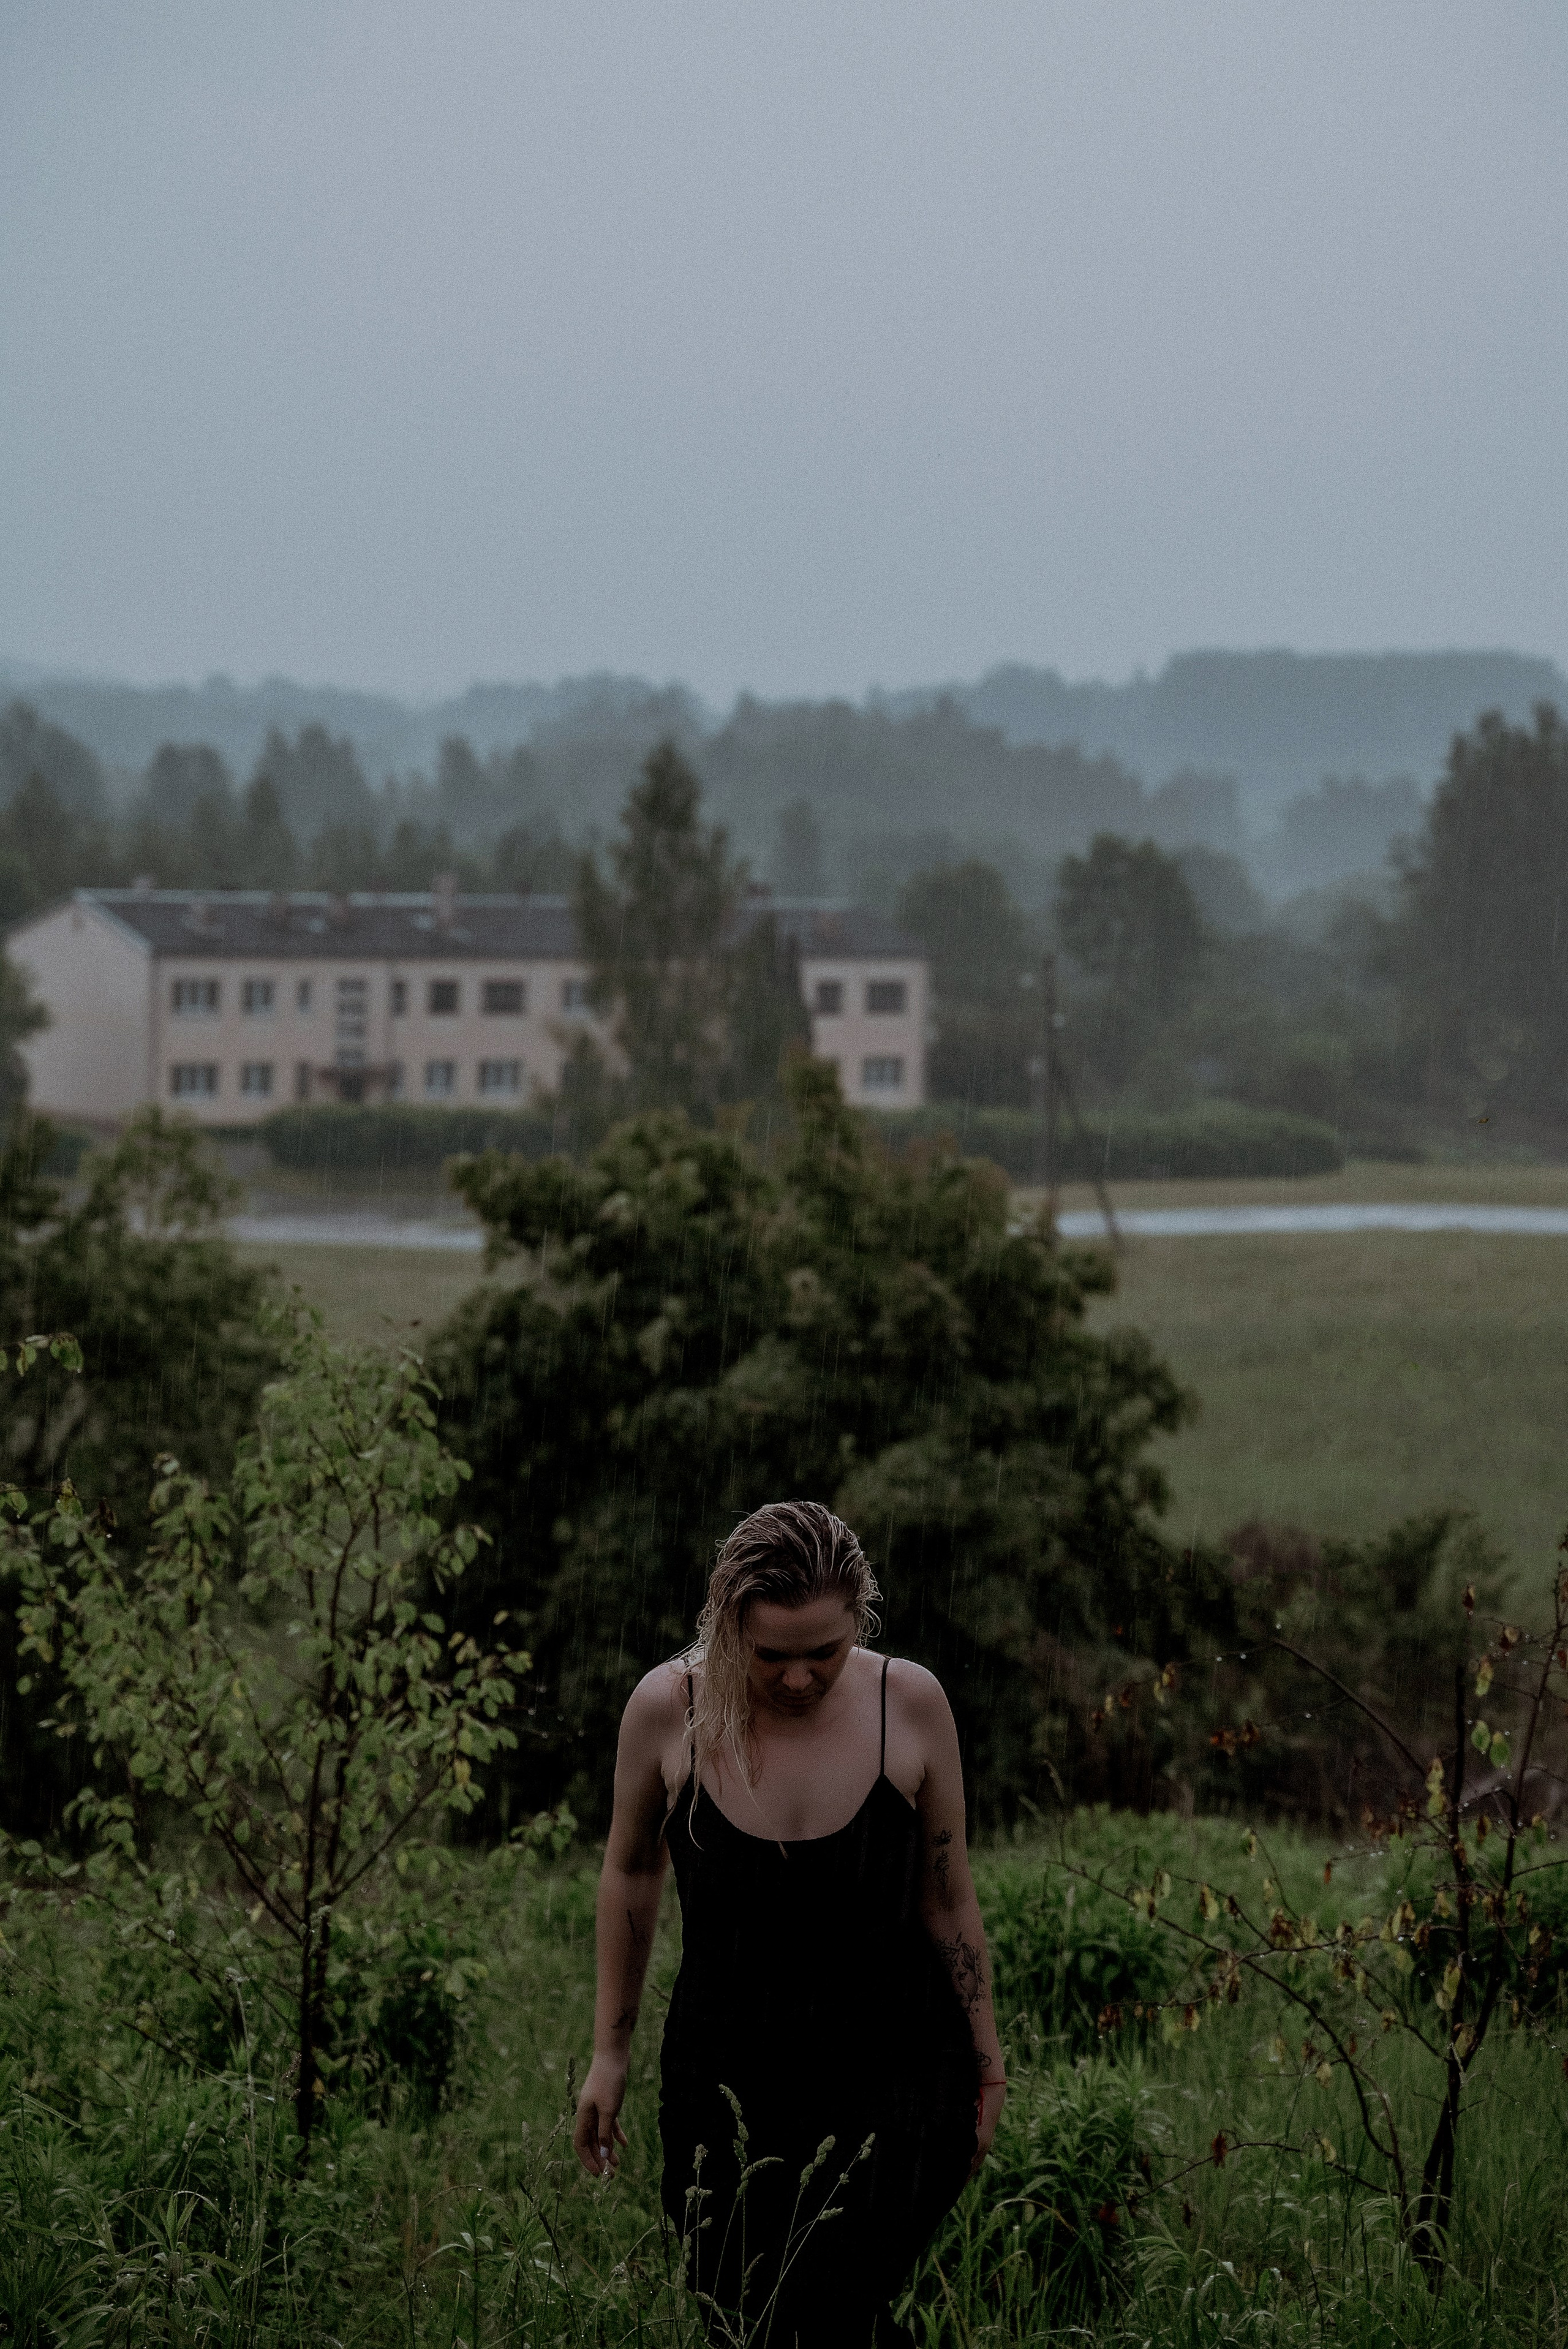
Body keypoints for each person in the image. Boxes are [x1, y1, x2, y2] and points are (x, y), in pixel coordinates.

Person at [573, 1500, 1006, 2348]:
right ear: (728, 1625)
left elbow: (949, 1897)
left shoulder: (908, 1703)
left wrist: (986, 2065)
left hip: (902, 2077)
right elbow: (630, 1873)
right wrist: (608, 2054)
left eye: (826, 1653)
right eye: (772, 1655)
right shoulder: (669, 1708)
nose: (800, 1677)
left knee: (821, 2317)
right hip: (724, 2085)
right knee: (740, 2320)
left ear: (860, 1620)